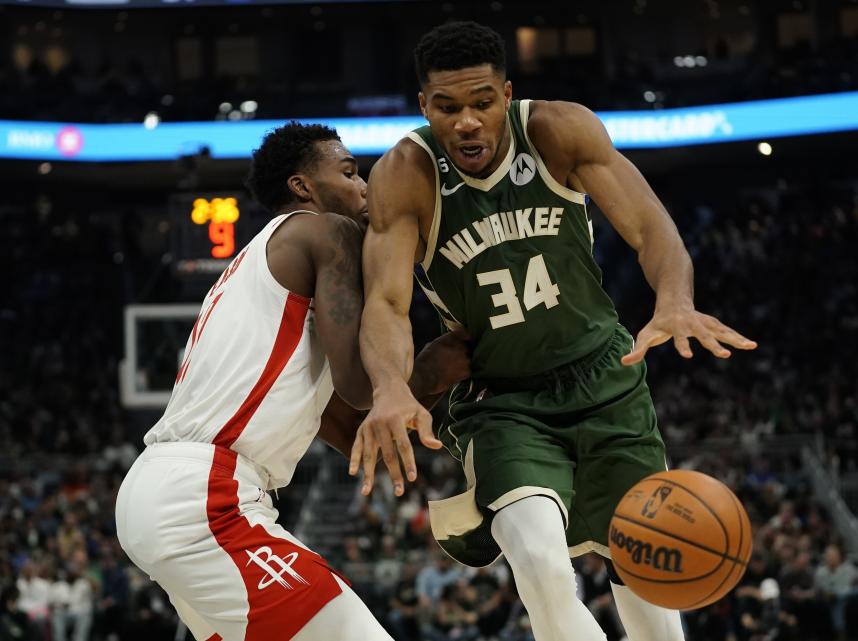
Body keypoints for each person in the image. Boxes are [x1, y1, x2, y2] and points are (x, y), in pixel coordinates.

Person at [353, 20, 756, 641]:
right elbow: (384, 300)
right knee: (539, 564)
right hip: (504, 400)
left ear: (507, 95)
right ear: (423, 106)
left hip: (605, 380)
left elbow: (651, 227)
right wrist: (389, 387)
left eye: (482, 103)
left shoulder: (558, 130)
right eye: (448, 107)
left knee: (648, 573)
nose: (467, 122)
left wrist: (674, 299)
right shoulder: (407, 172)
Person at [115, 122, 469, 641]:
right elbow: (359, 385)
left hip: (169, 493)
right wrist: (447, 357)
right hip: (206, 499)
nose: (365, 185)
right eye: (349, 172)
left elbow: (347, 422)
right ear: (303, 186)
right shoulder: (325, 231)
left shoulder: (257, 269)